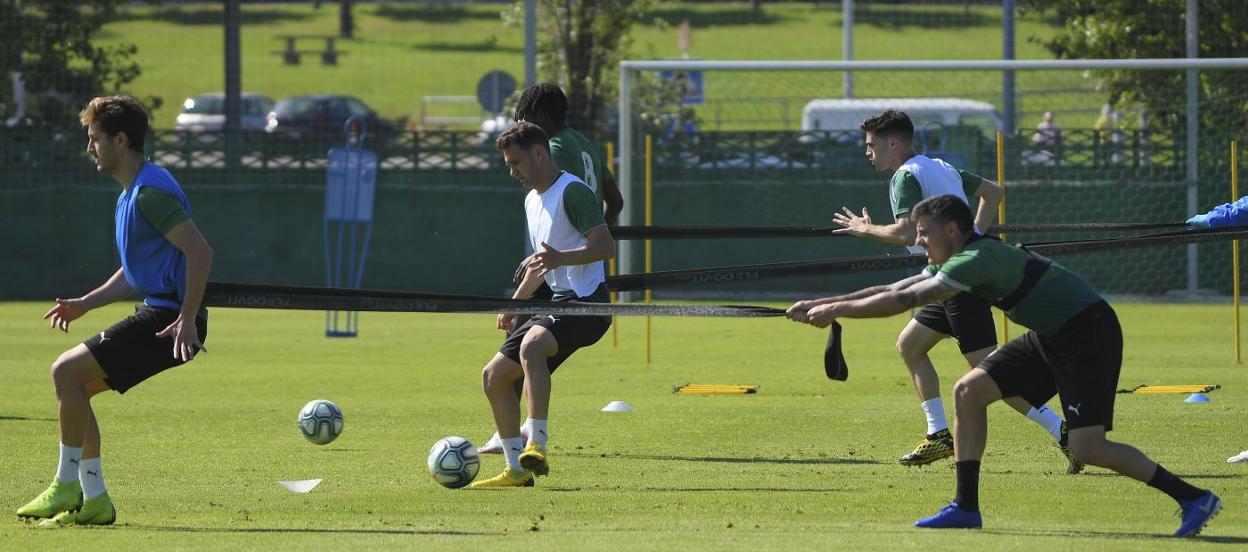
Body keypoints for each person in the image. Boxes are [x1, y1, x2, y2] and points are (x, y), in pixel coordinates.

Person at [788, 195, 1222, 536]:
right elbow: (895, 284)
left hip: (1088, 333)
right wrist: (826, 304)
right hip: (1053, 333)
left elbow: (902, 300)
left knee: (1088, 447)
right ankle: (966, 508)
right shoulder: (960, 256)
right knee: (968, 391)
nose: (918, 241)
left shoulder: (975, 260)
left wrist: (832, 310)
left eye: (924, 233)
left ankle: (1193, 497)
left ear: (953, 230)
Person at [822, 109, 1078, 472]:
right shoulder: (940, 166)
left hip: (957, 285)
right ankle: (938, 434)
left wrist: (865, 229)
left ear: (892, 142)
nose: (868, 152)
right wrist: (974, 240)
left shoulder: (905, 177)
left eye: (871, 145)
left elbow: (906, 234)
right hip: (943, 279)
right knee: (910, 345)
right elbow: (994, 192)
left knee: (991, 374)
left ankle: (1063, 433)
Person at [17, 96, 214, 526]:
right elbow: (134, 272)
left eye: (95, 138)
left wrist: (186, 317)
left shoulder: (150, 192)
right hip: (167, 315)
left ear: (120, 140)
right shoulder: (132, 194)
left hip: (168, 322)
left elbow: (200, 252)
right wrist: (84, 304)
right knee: (76, 391)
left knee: (64, 372)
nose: (90, 147)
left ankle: (66, 484)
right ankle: (96, 499)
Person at [479, 83, 626, 454]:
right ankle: (514, 460)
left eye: (517, 163)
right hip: (558, 292)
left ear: (541, 152)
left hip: (584, 299)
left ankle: (534, 441)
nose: (513, 173)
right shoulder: (534, 199)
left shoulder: (566, 180)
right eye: (508, 165)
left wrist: (572, 250)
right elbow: (613, 202)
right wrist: (514, 305)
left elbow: (602, 243)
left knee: (532, 349)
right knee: (496, 373)